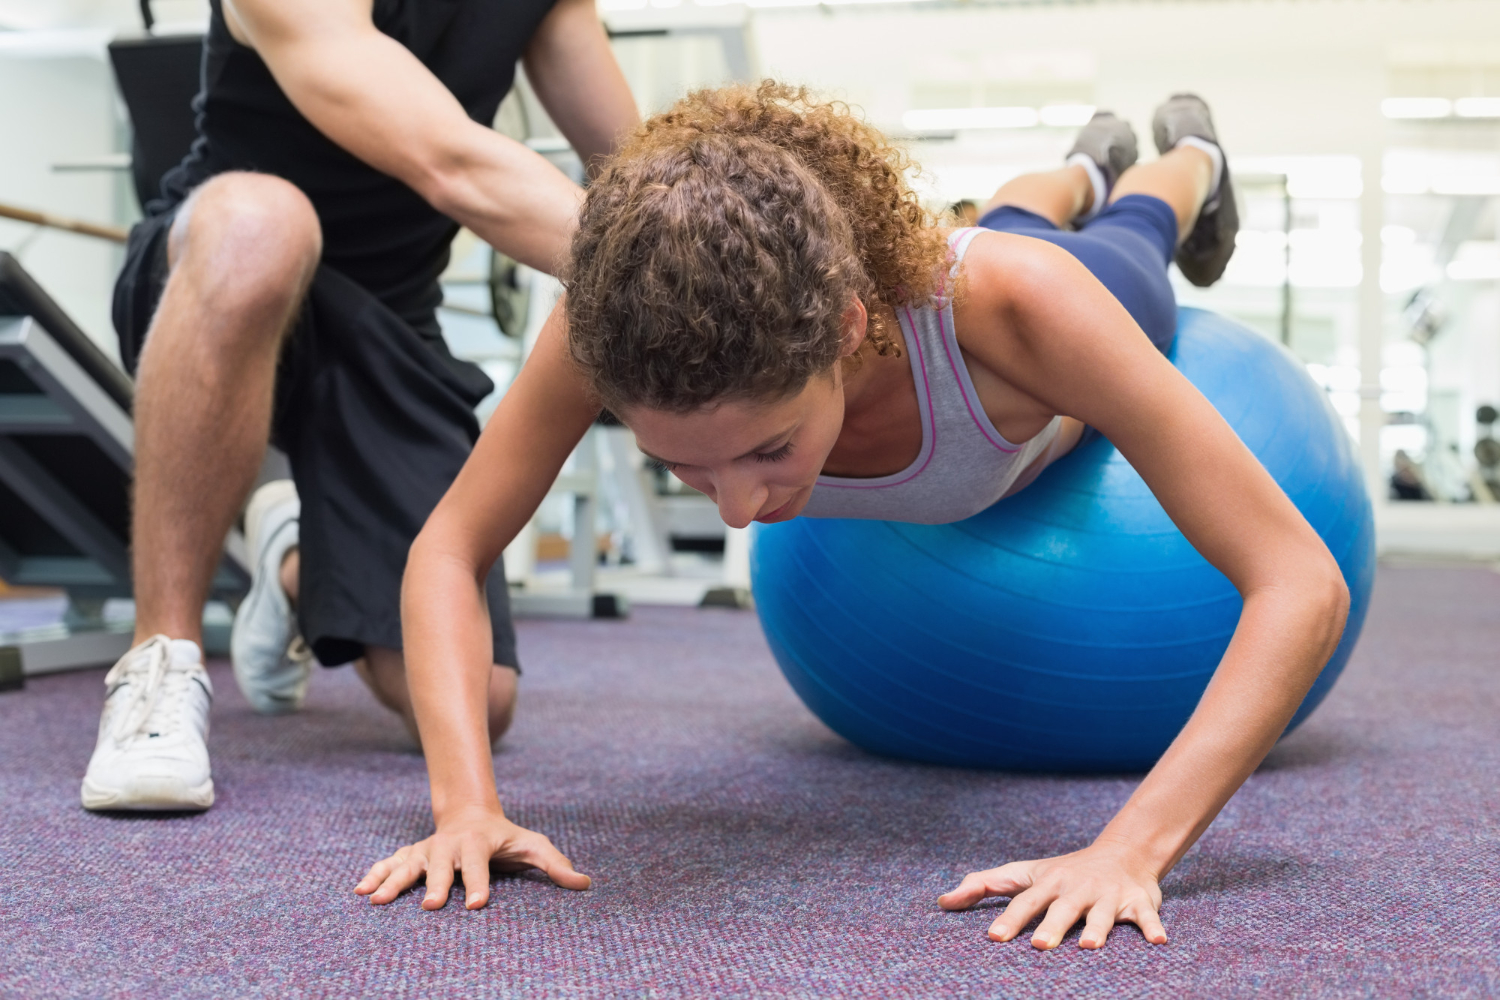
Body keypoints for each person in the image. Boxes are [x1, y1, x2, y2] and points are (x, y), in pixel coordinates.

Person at [354, 84, 1350, 950]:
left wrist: (1132, 851)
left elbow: (1302, 583)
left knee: (1129, 239)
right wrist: (464, 807)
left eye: (768, 450)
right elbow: (449, 546)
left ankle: (1188, 157)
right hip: (969, 273)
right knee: (1013, 213)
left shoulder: (1023, 308)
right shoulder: (611, 331)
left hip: (1063, 300)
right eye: (682, 466)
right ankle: (1085, 162)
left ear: (847, 330)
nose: (740, 513)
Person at [79, 0, 639, 811]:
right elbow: (450, 162)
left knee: (479, 703)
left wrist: (730, 241)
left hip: (392, 322)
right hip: (220, 272)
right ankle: (161, 659)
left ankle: (290, 562)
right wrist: (667, 269)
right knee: (266, 224)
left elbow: (633, 166)